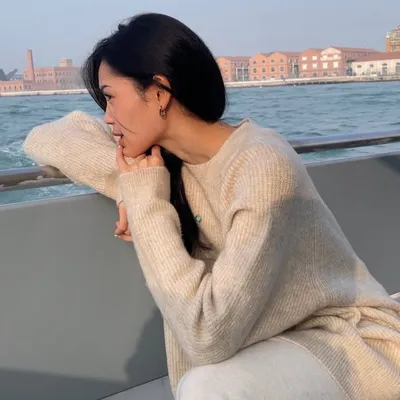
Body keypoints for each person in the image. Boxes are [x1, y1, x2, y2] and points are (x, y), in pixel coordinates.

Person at [23, 13, 400, 400]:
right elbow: (46, 137)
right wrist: (127, 187)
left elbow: (207, 336)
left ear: (159, 93)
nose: (106, 117)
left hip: (349, 343)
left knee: (209, 388)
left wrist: (145, 202)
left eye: (111, 97)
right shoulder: (163, 166)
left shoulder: (261, 166)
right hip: (272, 345)